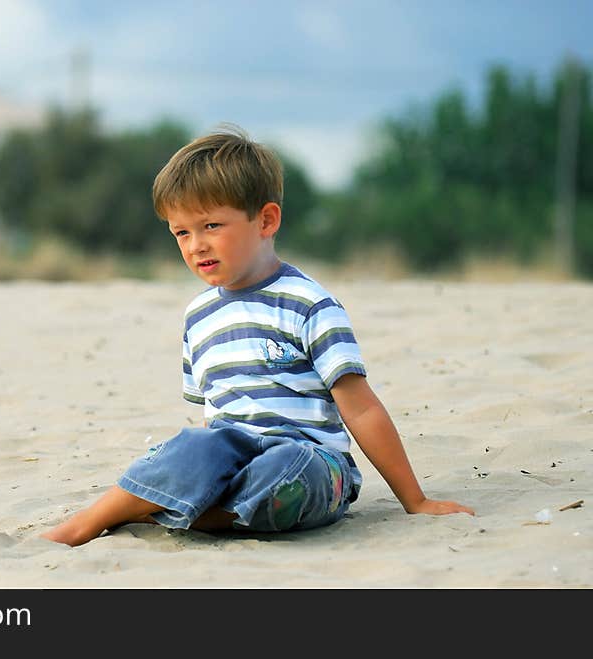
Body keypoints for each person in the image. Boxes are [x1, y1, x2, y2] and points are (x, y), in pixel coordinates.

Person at [41, 126, 475, 547]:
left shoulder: (309, 305)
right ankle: (93, 520)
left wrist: (415, 500)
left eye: (211, 225)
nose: (196, 245)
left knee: (289, 464)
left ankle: (197, 516)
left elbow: (360, 410)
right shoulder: (198, 317)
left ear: (265, 220)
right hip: (233, 465)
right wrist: (201, 464)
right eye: (181, 232)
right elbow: (213, 419)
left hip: (312, 468)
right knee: (195, 447)